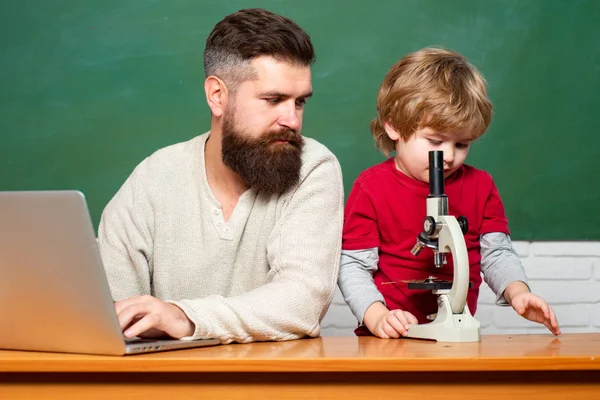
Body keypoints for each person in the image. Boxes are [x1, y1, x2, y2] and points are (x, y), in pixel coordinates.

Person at [98, 8, 344, 344]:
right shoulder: (154, 176)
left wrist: (185, 318)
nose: (292, 120)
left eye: (299, 102)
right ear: (217, 96)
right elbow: (113, 310)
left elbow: (302, 301)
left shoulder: (314, 167)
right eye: (273, 100)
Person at [338, 47, 561, 339]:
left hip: (455, 338)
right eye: (435, 141)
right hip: (389, 337)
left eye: (461, 144)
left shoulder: (481, 186)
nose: (448, 157)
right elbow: (352, 265)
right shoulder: (371, 187)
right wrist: (377, 315)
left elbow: (496, 253)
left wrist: (518, 292)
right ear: (393, 126)